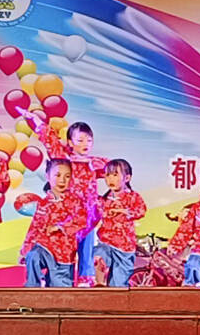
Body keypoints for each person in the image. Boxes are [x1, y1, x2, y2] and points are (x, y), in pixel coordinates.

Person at [27, 112, 107, 284]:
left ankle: (86, 279)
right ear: (70, 142)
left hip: (88, 216)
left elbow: (113, 170)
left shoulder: (94, 163)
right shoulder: (65, 160)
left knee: (87, 246)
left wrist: (95, 164)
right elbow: (50, 141)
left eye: (89, 140)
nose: (85, 144)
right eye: (80, 140)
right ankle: (51, 277)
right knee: (62, 248)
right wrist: (37, 122)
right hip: (67, 215)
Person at [18, 159, 86, 288]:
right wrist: (26, 247)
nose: (62, 180)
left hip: (64, 254)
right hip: (44, 247)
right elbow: (35, 226)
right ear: (47, 176)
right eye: (58, 175)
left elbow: (81, 221)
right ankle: (32, 288)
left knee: (60, 289)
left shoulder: (75, 202)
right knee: (33, 256)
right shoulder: (43, 203)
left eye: (67, 176)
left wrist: (60, 227)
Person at [92, 159, 145, 288]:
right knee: (98, 257)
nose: (110, 179)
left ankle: (112, 295)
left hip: (124, 248)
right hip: (106, 243)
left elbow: (141, 211)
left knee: (118, 285)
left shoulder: (133, 197)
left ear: (127, 178)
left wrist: (124, 211)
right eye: (107, 175)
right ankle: (99, 285)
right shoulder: (103, 200)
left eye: (115, 175)